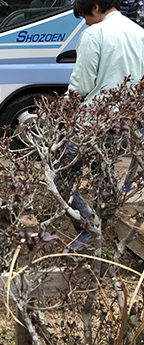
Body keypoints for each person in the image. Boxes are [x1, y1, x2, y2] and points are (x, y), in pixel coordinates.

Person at [65, 0, 144, 250]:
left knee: (61, 173)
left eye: (85, 16)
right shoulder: (140, 32)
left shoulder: (94, 34)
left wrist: (61, 115)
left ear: (96, 7)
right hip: (123, 123)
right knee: (104, 175)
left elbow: (82, 84)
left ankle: (87, 229)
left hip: (92, 123)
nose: (84, 21)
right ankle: (104, 231)